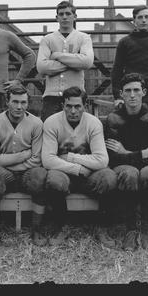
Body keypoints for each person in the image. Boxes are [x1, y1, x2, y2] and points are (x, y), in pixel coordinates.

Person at [41, 86, 117, 246]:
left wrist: (70, 157)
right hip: (67, 174)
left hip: (88, 175)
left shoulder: (93, 123)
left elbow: (102, 160)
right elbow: (48, 160)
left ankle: (101, 226)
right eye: (69, 106)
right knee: (54, 179)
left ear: (85, 106)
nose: (73, 111)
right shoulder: (52, 122)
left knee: (108, 177)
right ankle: (61, 225)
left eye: (78, 106)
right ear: (62, 105)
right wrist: (77, 168)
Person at [105, 73, 148, 252]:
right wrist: (143, 153)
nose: (132, 95)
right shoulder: (113, 119)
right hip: (125, 167)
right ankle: (130, 230)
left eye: (136, 90)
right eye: (128, 91)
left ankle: (146, 231)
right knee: (130, 173)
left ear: (144, 92)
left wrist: (126, 152)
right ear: (121, 94)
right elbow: (112, 158)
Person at [0, 84, 48, 247]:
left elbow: (37, 159)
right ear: (7, 101)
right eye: (15, 102)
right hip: (5, 174)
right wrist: (23, 155)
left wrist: (7, 161)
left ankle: (36, 228)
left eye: (23, 102)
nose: (19, 107)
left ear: (28, 104)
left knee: (40, 174)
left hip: (28, 173)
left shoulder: (36, 123)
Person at [36, 0, 94, 121]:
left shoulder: (84, 38)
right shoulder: (47, 39)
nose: (65, 17)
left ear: (75, 16)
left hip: (76, 98)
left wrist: (57, 55)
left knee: (77, 134)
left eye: (68, 14)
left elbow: (87, 62)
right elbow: (41, 67)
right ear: (57, 18)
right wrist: (75, 62)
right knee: (49, 132)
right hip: (51, 97)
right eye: (61, 14)